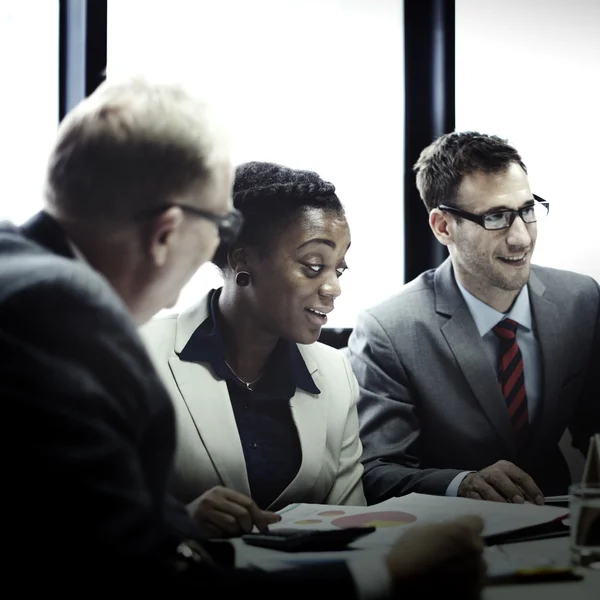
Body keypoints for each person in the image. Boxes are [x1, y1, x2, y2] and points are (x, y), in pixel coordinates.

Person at [0, 78, 486, 598]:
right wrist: (385, 575)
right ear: (167, 232)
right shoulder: (63, 313)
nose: (220, 243)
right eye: (219, 221)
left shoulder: (21, 275)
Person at [347, 131, 600, 504]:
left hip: (558, 524)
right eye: (496, 217)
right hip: (447, 536)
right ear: (443, 227)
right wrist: (461, 483)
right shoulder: (389, 330)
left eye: (527, 211)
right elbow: (377, 471)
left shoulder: (581, 299)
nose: (521, 238)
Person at [140, 161, 366, 537]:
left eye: (337, 270)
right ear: (242, 259)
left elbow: (351, 518)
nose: (333, 288)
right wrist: (179, 520)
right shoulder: (142, 354)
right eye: (313, 265)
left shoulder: (335, 373)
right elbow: (93, 512)